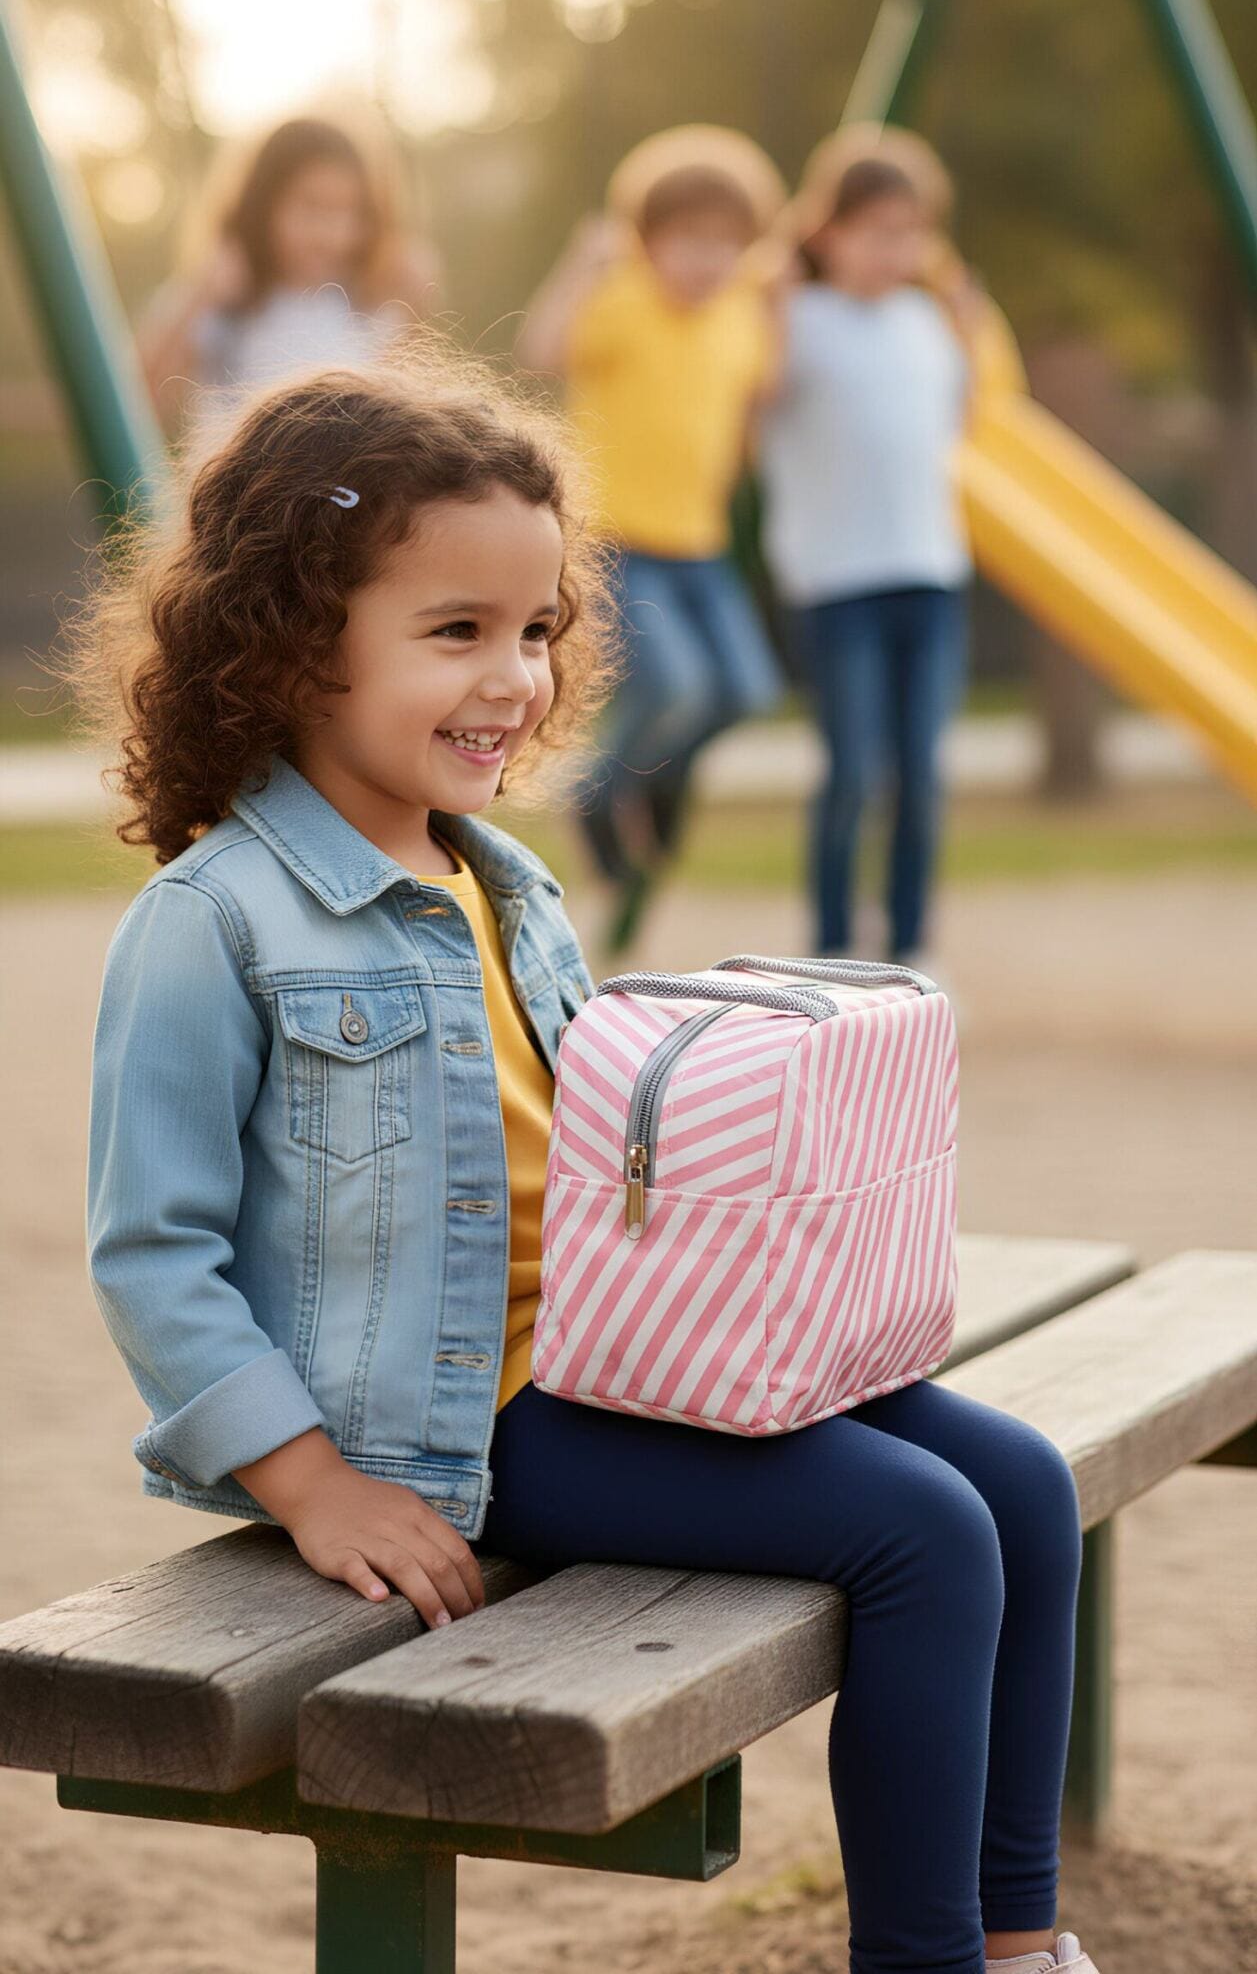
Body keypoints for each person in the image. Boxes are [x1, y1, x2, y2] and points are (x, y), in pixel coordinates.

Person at [73, 347, 1098, 1974]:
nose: (516, 680)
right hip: (474, 1421)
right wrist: (308, 1480)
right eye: (456, 632)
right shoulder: (214, 924)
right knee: (925, 1535)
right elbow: (155, 1253)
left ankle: (1023, 1935)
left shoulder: (506, 878)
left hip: (630, 1354)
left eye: (536, 631)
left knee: (1025, 1488)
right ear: (287, 645)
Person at [517, 126, 787, 954]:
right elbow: (541, 348)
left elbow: (760, 394)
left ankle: (625, 786)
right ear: (647, 243)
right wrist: (581, 264)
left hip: (702, 547)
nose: (706, 261)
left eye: (724, 245)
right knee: (674, 686)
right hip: (620, 542)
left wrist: (780, 295)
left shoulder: (742, 314)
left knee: (745, 689)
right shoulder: (622, 300)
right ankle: (597, 794)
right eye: (687, 243)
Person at [758, 136, 973, 971]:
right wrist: (773, 303)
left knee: (920, 776)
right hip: (833, 581)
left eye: (912, 232)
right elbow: (756, 405)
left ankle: (912, 945)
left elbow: (963, 419)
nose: (897, 249)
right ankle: (833, 949)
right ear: (829, 231)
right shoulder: (795, 319)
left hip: (929, 573)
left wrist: (967, 314)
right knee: (853, 773)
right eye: (878, 229)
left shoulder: (925, 323)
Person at [138, 113, 441, 445]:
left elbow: (398, 422)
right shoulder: (224, 305)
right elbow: (140, 405)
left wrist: (413, 306)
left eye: (351, 212)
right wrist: (198, 299)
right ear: (262, 207)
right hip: (244, 491)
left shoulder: (368, 305)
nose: (333, 235)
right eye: (312, 208)